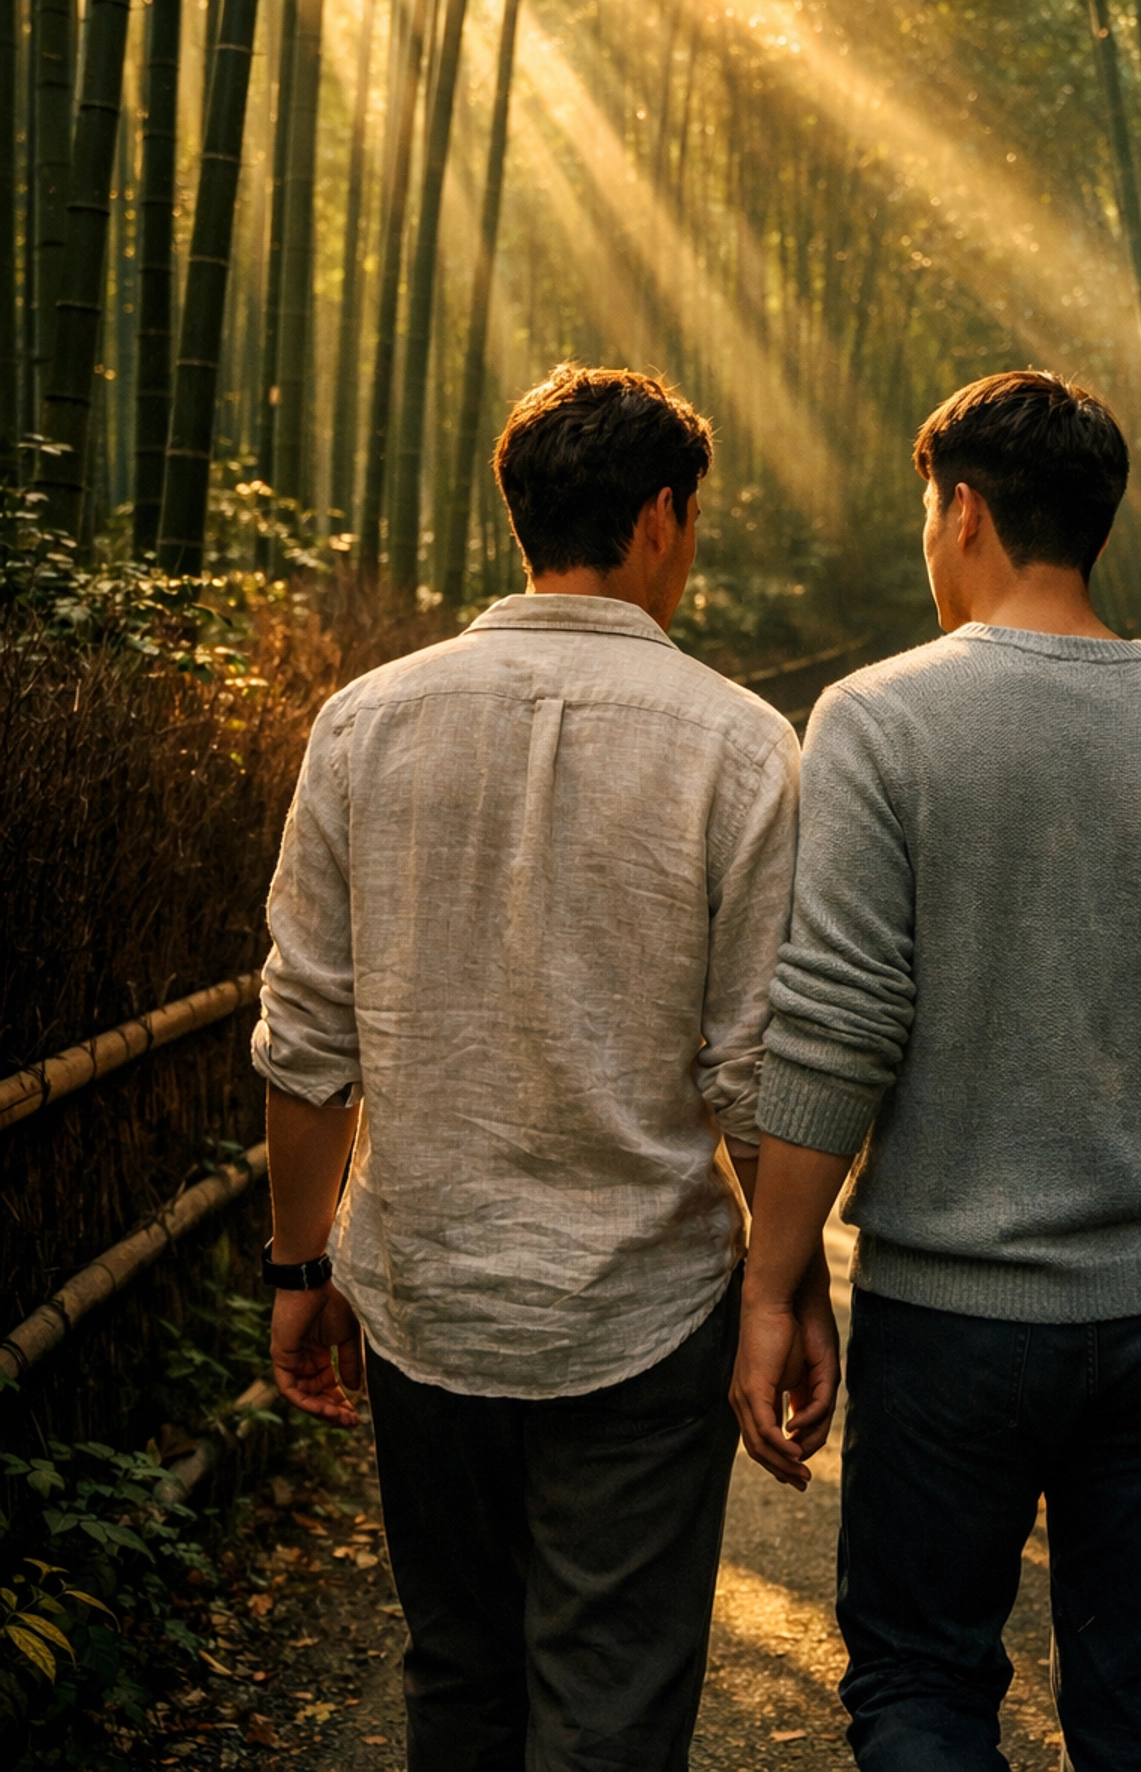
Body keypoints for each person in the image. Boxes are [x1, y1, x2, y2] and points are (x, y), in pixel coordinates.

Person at [731, 369, 1141, 1772]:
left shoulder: (879, 722)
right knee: (1140, 1715)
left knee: (925, 1689)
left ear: (965, 514)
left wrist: (776, 1287)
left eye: (926, 512)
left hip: (954, 1320)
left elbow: (835, 1028)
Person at [254, 364, 836, 1772]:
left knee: (458, 1675)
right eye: (691, 524)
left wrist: (296, 1270)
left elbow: (306, 1039)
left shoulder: (366, 722)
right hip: (641, 1306)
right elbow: (758, 1072)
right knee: (614, 1704)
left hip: (425, 1294)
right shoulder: (743, 747)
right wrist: (788, 1286)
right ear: (658, 519)